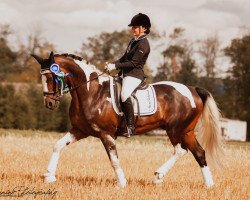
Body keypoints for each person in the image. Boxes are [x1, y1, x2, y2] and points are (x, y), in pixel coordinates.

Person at [105, 13, 151, 137]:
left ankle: (130, 127)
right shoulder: (133, 41)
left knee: (125, 94)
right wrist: (112, 64)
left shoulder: (144, 44)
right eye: (133, 27)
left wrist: (116, 66)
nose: (132, 29)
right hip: (125, 74)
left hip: (134, 75)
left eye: (135, 27)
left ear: (144, 28)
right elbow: (124, 58)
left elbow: (133, 63)